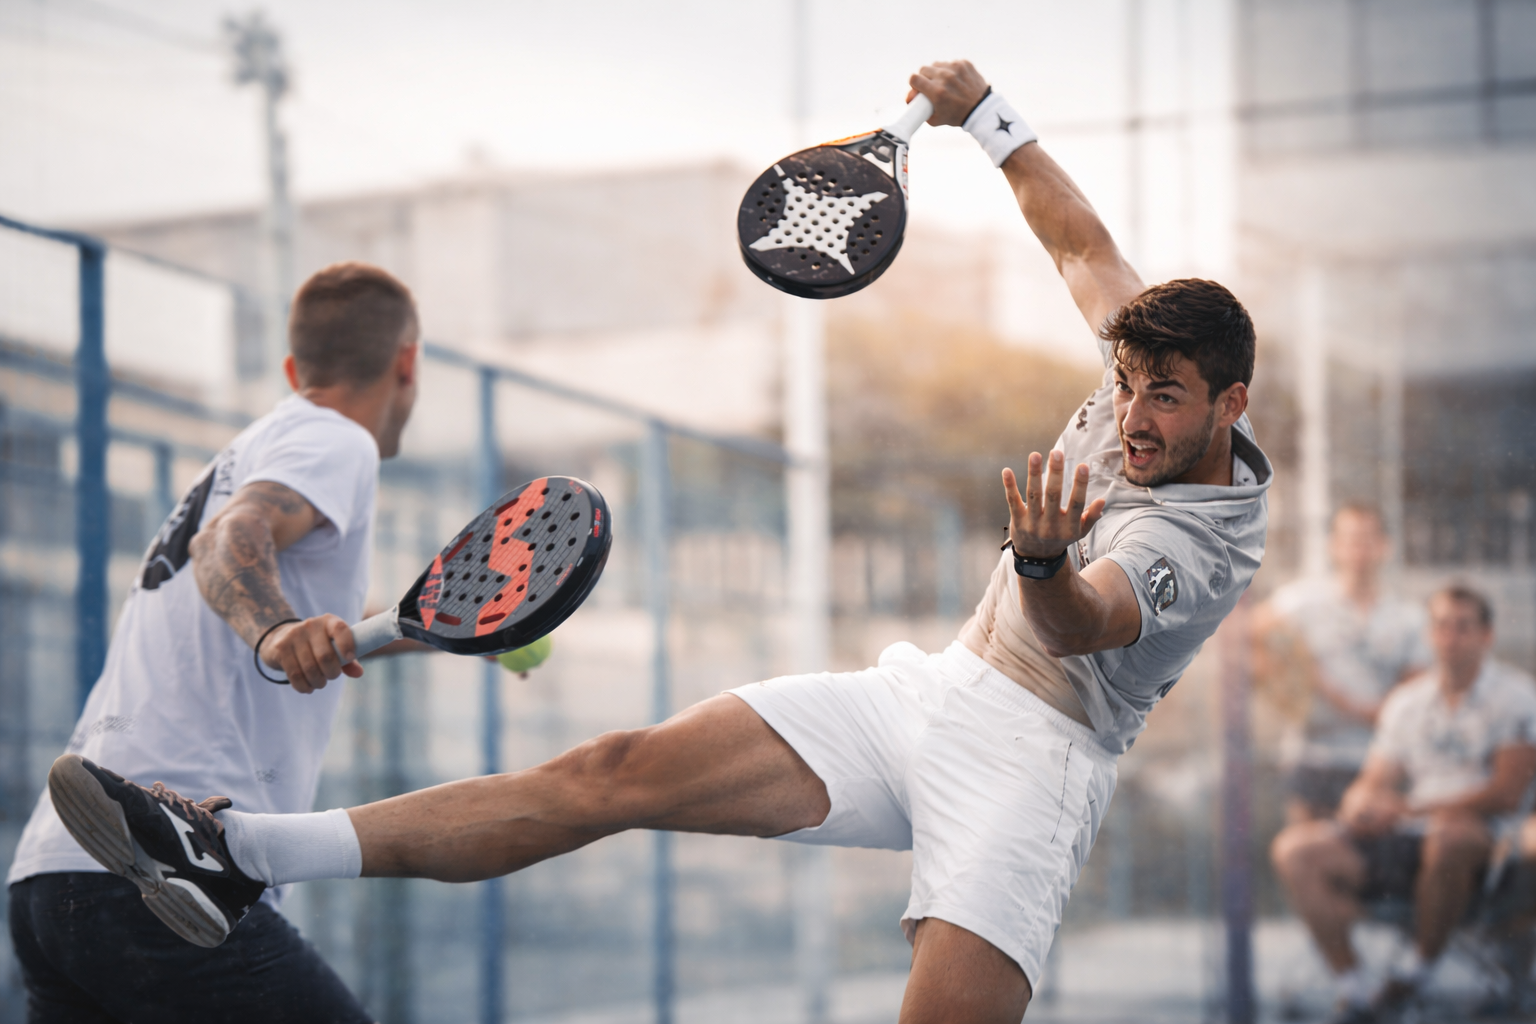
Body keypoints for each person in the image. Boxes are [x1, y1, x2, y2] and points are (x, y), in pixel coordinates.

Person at [45, 60, 1271, 1023]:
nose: (1135, 416)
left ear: (1231, 406)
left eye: (1167, 398)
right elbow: (1076, 243)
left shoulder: (1200, 540)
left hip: (1035, 759)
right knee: (611, 770)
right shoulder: (1143, 369)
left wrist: (1046, 560)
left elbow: (1087, 618)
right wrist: (988, 115)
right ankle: (234, 849)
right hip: (931, 692)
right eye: (1127, 385)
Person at [8, 262, 422, 1022]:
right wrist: (276, 632)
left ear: (295, 368)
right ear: (407, 360)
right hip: (166, 863)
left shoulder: (251, 446)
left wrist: (433, 634)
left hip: (53, 877)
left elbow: (287, 589)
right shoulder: (336, 438)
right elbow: (231, 540)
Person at [1271, 585, 1536, 1023]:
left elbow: (1506, 792)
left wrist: (1410, 811)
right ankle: (1355, 990)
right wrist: (1360, 806)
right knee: (1295, 850)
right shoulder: (1407, 702)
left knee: (1451, 837)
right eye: (1442, 626)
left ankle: (1413, 974)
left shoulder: (1516, 696)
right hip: (1410, 838)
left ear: (1485, 635)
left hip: (1485, 845)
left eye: (1463, 627)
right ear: (1430, 634)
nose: (1450, 637)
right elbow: (1373, 779)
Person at [1252, 505, 1430, 823]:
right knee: (1305, 853)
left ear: (1384, 546)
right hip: (1314, 753)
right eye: (1349, 539)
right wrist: (1305, 677)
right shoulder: (1303, 601)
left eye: (1366, 539)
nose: (1357, 549)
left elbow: (1416, 688)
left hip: (1379, 760)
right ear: (1333, 546)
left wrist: (1374, 712)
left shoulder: (1407, 617)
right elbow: (1255, 630)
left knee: (1370, 861)